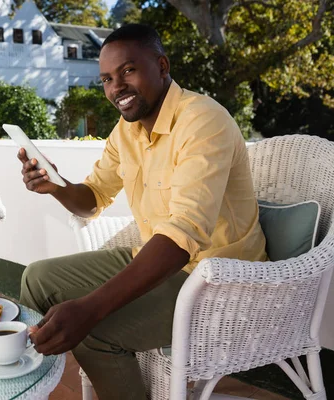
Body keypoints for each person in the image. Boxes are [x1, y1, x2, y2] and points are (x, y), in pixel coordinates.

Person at [18, 23, 267, 399]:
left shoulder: (202, 121)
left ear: (162, 66)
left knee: (97, 328)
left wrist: (90, 309)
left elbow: (182, 236)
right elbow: (93, 198)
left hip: (219, 283)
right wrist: (55, 185)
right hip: (162, 261)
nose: (116, 87)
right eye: (106, 79)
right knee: (37, 279)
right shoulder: (126, 132)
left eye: (128, 71)